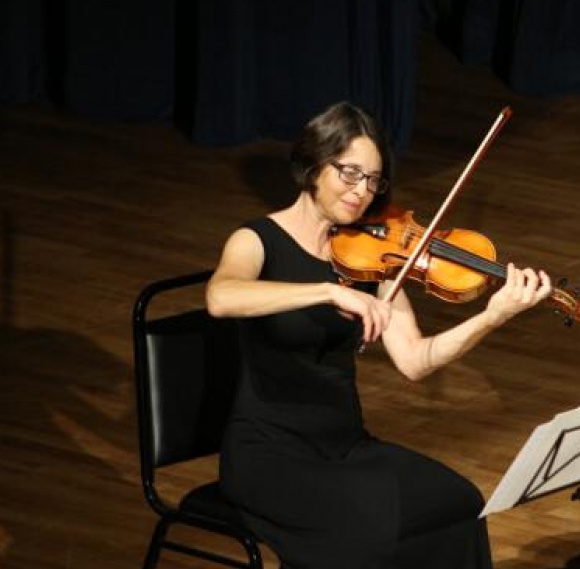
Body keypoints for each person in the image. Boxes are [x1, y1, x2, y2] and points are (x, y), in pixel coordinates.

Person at [206, 101, 553, 569]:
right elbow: (222, 298)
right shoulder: (256, 240)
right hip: (269, 456)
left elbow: (415, 360)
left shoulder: (371, 253)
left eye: (373, 180)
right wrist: (327, 292)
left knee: (460, 504)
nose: (362, 192)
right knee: (374, 534)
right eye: (349, 174)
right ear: (313, 164)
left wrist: (492, 316)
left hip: (346, 447)